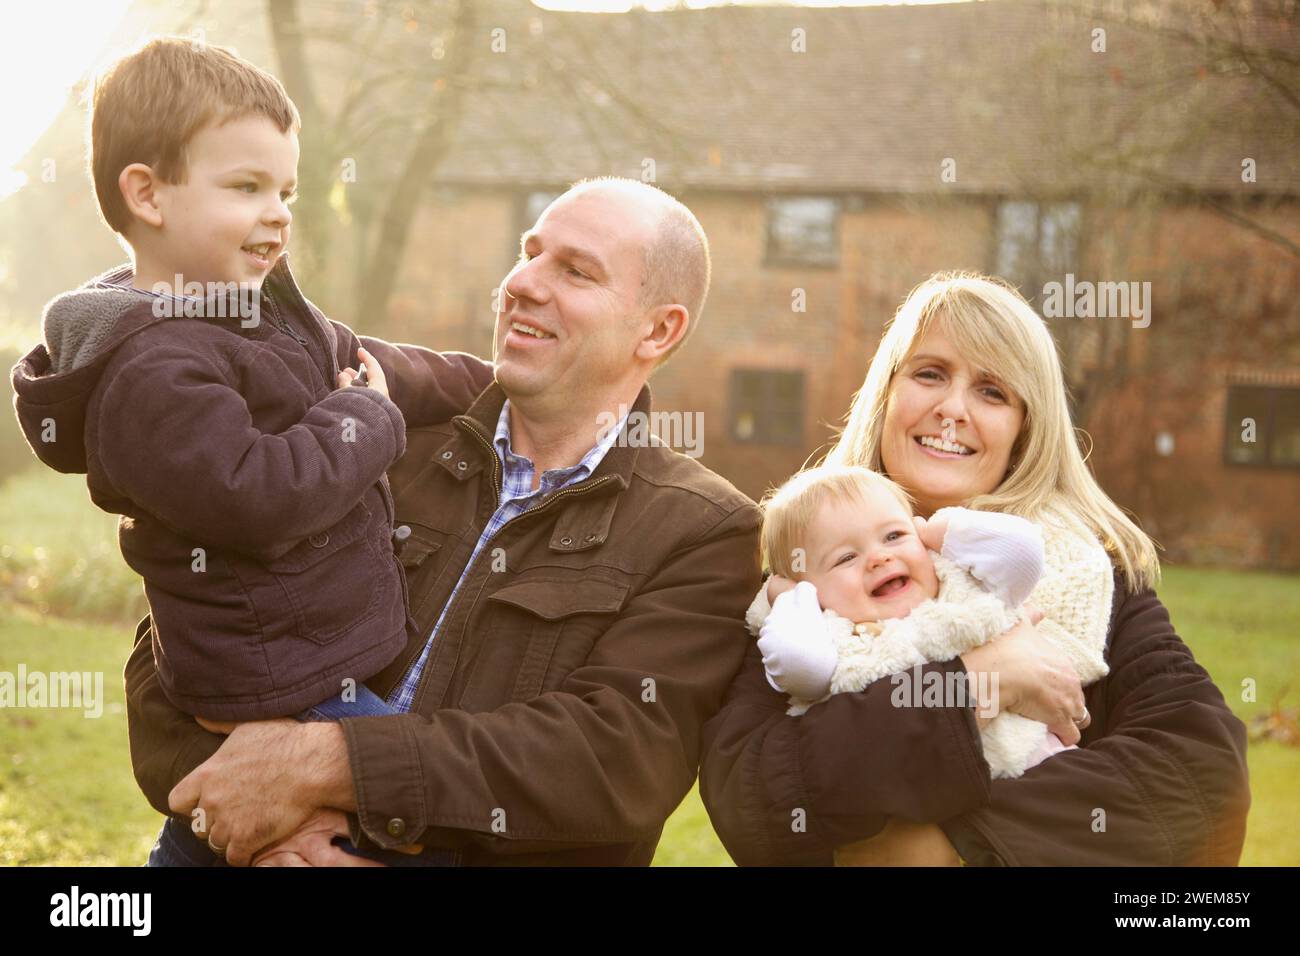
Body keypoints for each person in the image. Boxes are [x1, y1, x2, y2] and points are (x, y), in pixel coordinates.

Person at [122, 176, 764, 866]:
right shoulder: (368, 437)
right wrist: (264, 820)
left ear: (659, 329)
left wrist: (329, 761)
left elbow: (611, 758)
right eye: (529, 253)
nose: (522, 282)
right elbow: (185, 632)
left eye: (575, 271)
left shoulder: (707, 529)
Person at [11, 38, 494, 864]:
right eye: (247, 187)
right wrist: (364, 420)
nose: (279, 211)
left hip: (310, 663)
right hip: (273, 682)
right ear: (147, 195)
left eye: (287, 190)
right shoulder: (154, 369)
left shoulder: (249, 314)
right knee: (449, 821)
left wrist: (497, 382)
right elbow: (255, 493)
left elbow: (381, 366)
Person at [699, 272, 1250, 866]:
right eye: (930, 374)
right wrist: (978, 682)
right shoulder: (803, 579)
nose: (952, 409)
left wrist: (937, 848)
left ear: (1024, 431)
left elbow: (1198, 779)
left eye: (992, 392)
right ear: (886, 395)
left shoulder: (1092, 574)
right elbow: (755, 796)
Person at [746, 464, 1095, 781]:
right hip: (934, 799)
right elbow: (802, 670)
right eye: (846, 557)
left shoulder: (958, 583)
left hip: (1044, 768)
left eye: (894, 536)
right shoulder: (836, 643)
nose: (880, 557)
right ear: (809, 590)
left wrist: (943, 530)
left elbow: (1023, 556)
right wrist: (790, 599)